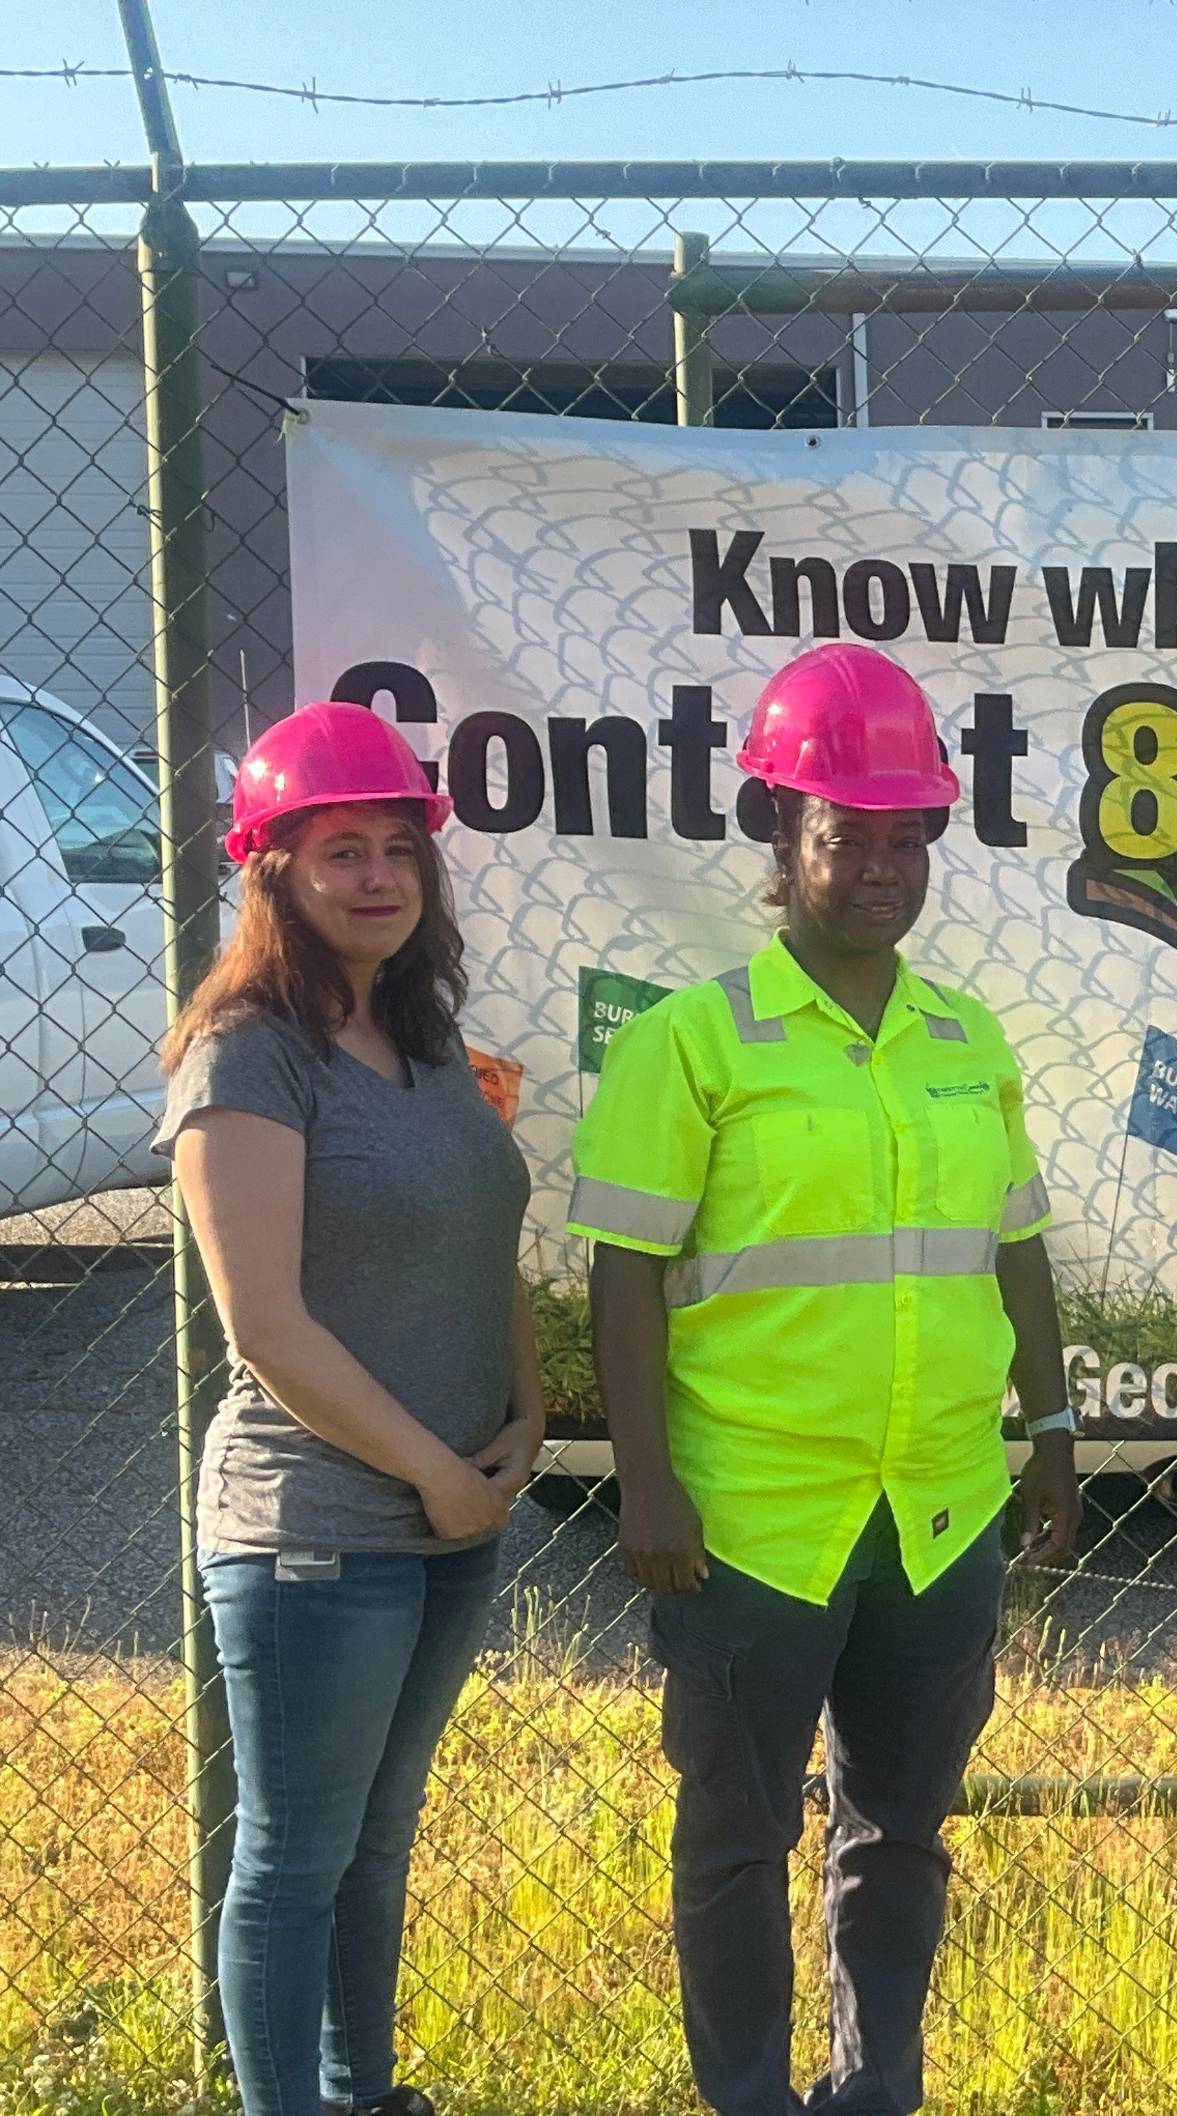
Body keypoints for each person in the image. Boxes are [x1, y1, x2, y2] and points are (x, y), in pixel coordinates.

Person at [567, 642, 1082, 2116]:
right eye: (846, 832)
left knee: (902, 1829)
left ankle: (878, 2091)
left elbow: (1017, 1247)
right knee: (737, 1836)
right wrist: (645, 1481)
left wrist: (1046, 1429)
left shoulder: (960, 1040)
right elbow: (623, 1273)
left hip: (935, 1512)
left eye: (907, 834)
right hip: (748, 1521)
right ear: (781, 840)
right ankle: (746, 2098)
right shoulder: (693, 1043)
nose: (880, 865)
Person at [159, 702, 543, 2116]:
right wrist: (434, 1473)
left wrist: (522, 1405)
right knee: (294, 1858)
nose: (378, 875)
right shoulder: (248, 1052)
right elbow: (264, 1327)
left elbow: (479, 1239)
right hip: (315, 1527)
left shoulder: (429, 1042)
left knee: (378, 1844)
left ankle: (357, 2093)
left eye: (399, 848)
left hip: (454, 1510)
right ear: (272, 871)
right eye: (338, 851)